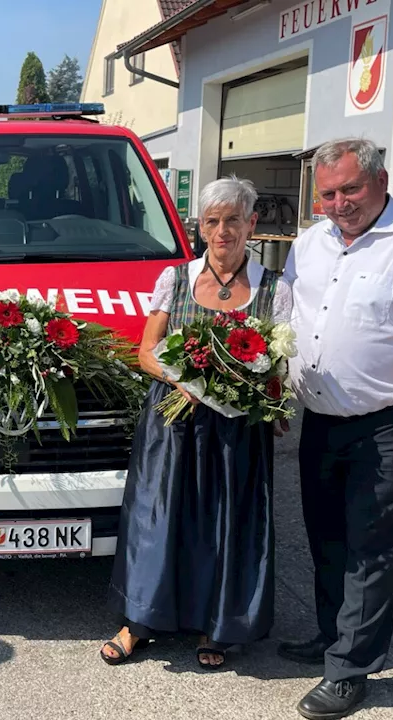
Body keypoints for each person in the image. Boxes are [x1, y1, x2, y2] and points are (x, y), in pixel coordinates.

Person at [278, 138, 393, 720]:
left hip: (388, 425)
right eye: (327, 194)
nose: (339, 204)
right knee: (326, 537)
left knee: (372, 548)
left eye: (350, 190)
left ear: (380, 180)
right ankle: (334, 636)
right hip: (321, 421)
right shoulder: (309, 244)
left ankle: (350, 669)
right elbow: (287, 318)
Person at [102, 176, 291, 671]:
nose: (223, 231)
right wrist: (182, 378)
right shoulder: (176, 279)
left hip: (236, 432)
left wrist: (271, 400)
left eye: (233, 220)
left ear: (252, 224)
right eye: (213, 221)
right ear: (200, 227)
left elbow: (281, 366)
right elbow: (145, 351)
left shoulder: (275, 289)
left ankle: (217, 624)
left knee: (225, 525)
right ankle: (138, 622)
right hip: (173, 424)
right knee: (157, 521)